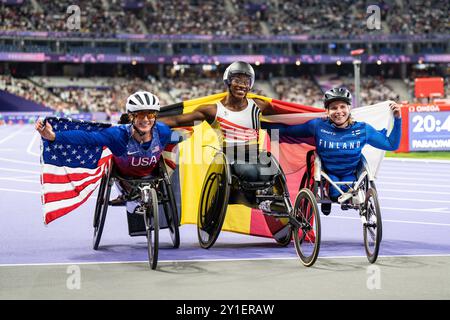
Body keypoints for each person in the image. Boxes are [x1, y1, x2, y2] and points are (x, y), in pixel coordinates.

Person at [263, 87, 402, 209]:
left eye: (342, 107)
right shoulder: (317, 126)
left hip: (351, 173)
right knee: (335, 194)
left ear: (349, 108)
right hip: (328, 174)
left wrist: (397, 120)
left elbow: (391, 144)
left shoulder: (363, 129)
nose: (339, 111)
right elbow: (288, 131)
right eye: (334, 108)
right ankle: (329, 199)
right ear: (327, 111)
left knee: (347, 194)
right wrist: (261, 125)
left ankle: (338, 199)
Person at [35, 91, 179, 206]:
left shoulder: (163, 132)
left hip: (153, 172)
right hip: (124, 175)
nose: (146, 119)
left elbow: (183, 127)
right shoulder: (117, 135)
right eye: (141, 114)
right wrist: (54, 136)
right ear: (131, 117)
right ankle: (125, 191)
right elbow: (87, 138)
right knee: (112, 165)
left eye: (151, 114)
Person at [159, 61, 279, 185]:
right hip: (231, 158)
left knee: (273, 171)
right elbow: (177, 120)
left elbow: (286, 114)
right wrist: (150, 120)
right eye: (237, 80)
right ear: (228, 81)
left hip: (256, 155)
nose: (242, 85)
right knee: (251, 173)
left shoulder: (259, 105)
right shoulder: (213, 110)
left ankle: (268, 201)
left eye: (246, 82)